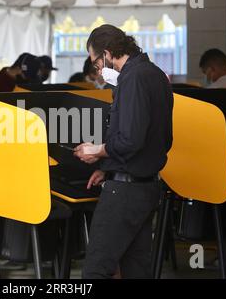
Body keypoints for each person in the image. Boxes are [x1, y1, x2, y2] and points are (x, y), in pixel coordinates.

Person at [73, 24, 173, 279]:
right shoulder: (156, 74)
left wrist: (96, 150)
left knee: (97, 268)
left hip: (124, 192)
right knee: (136, 269)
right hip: (147, 187)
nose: (97, 70)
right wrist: (107, 168)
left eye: (95, 62)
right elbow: (160, 139)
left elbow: (129, 140)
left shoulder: (132, 78)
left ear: (106, 53)